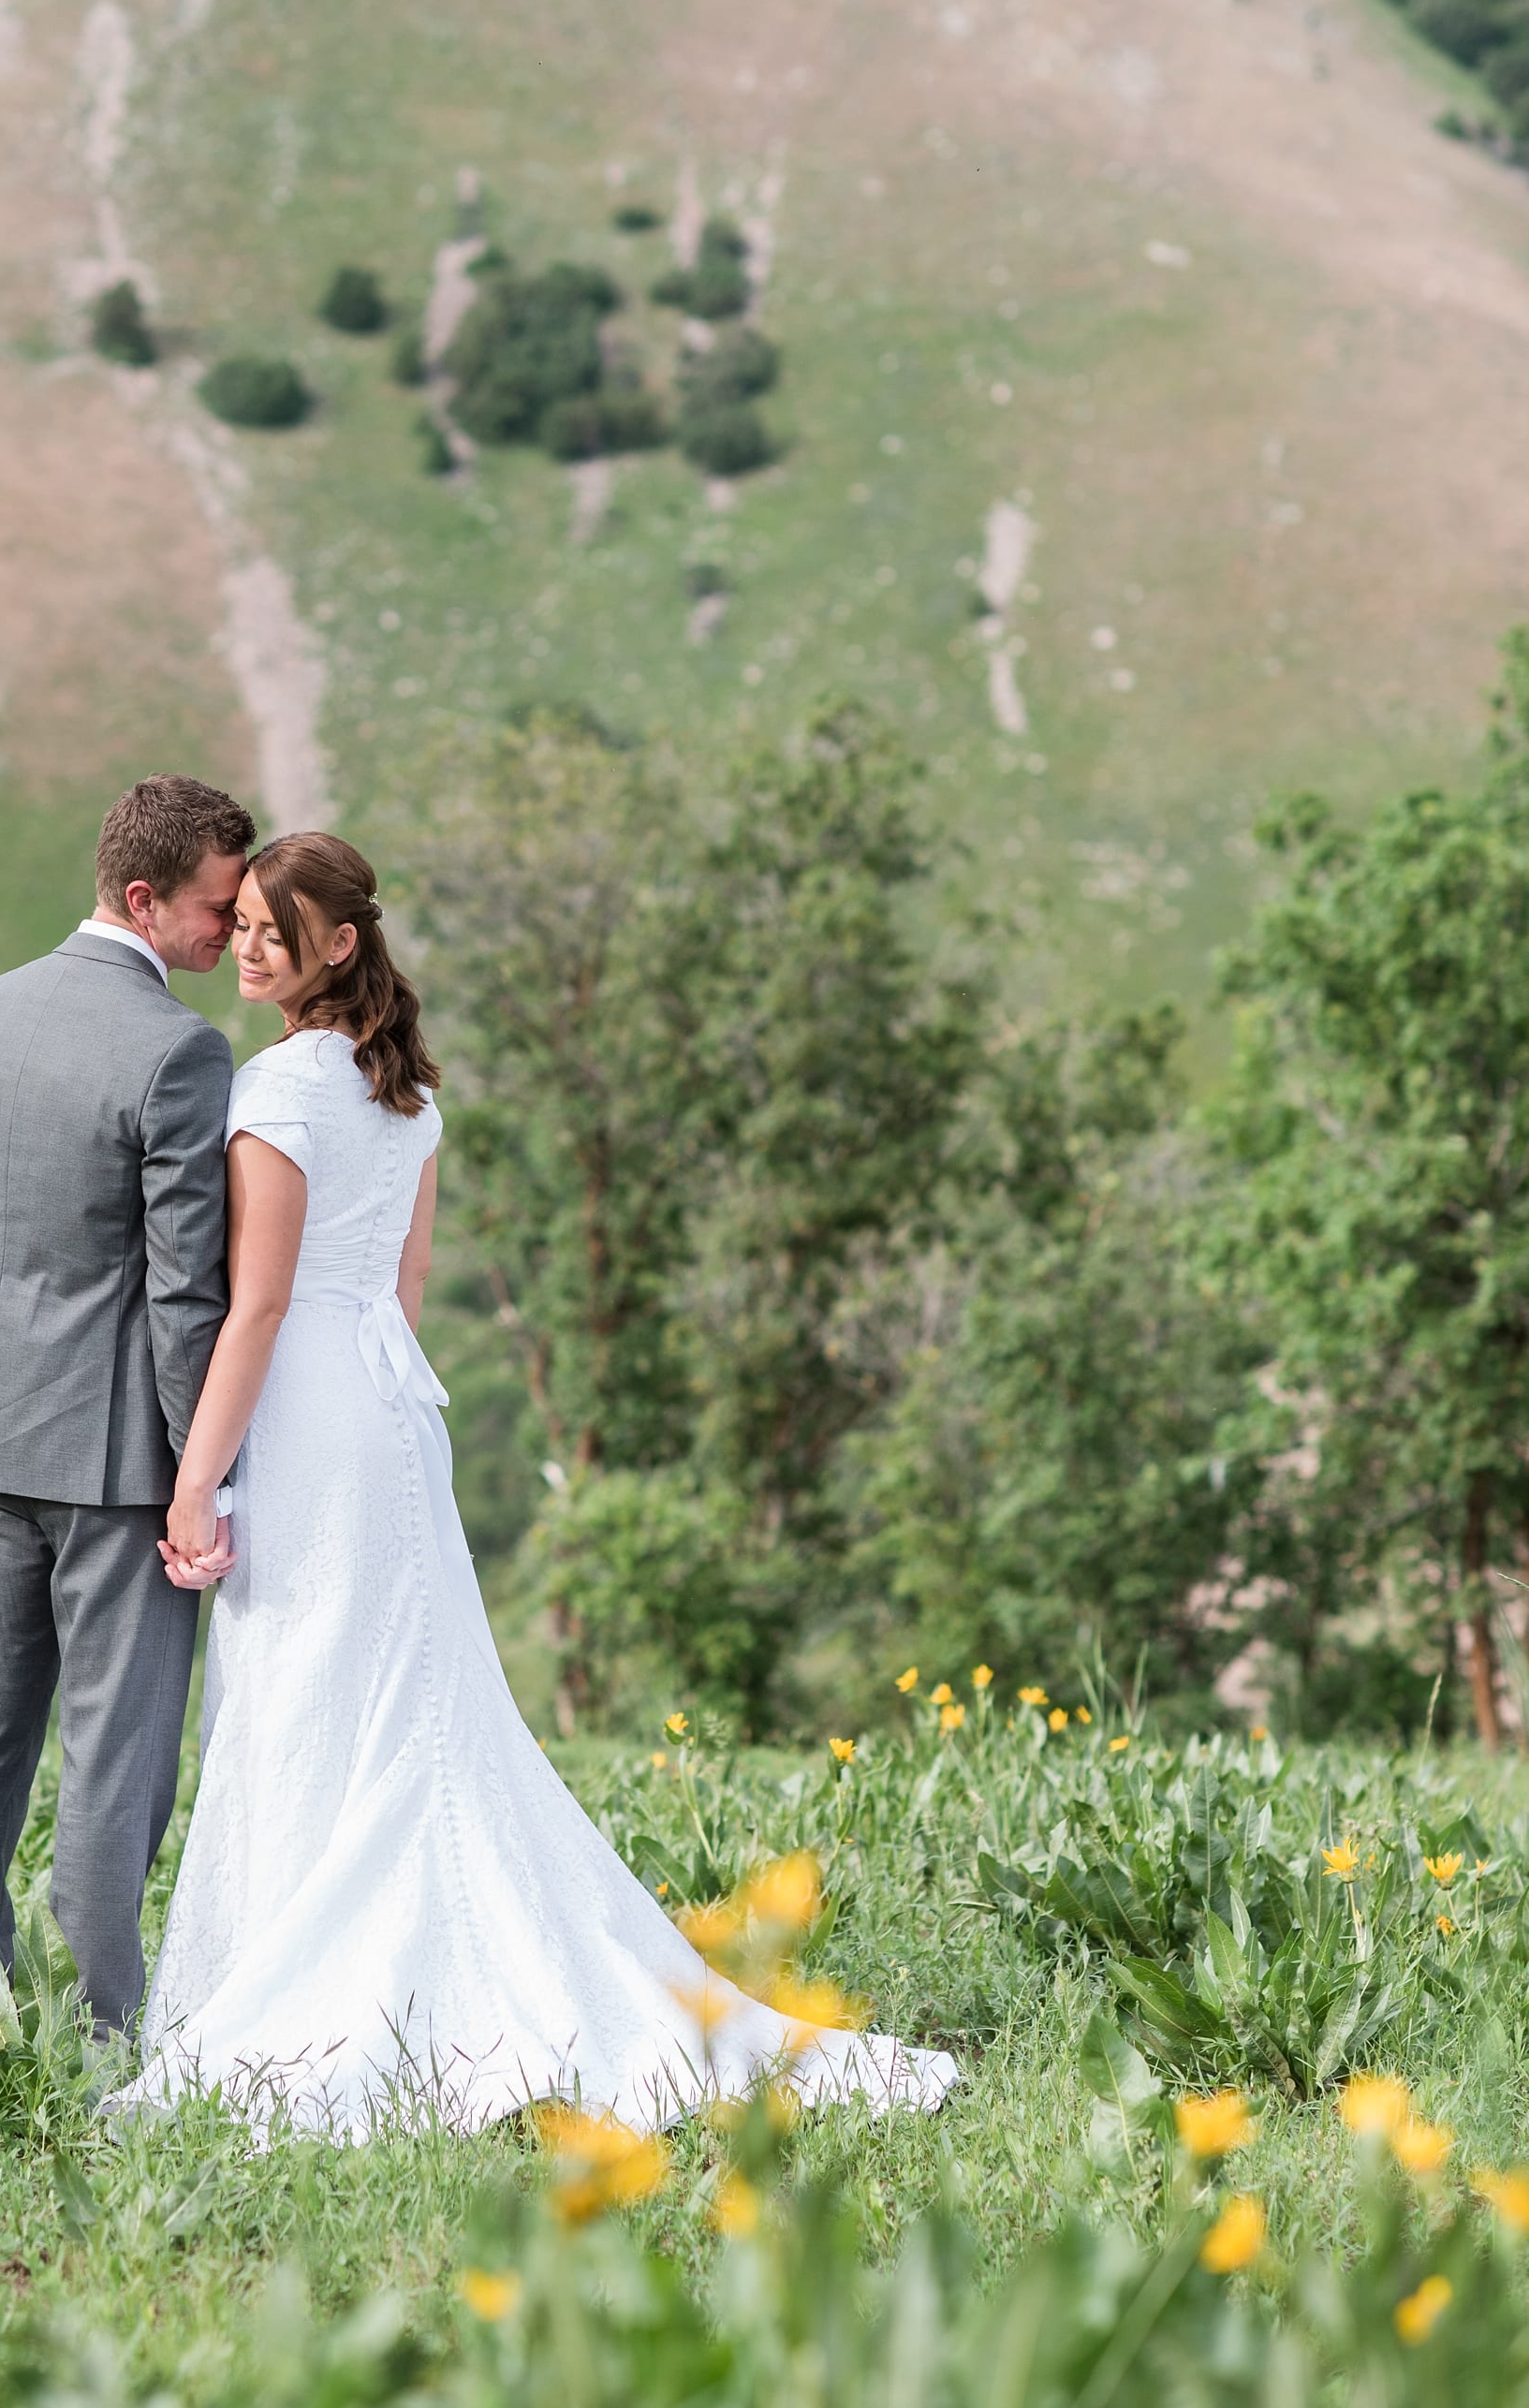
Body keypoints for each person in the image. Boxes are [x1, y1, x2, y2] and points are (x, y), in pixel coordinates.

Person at [125, 829, 956, 2136]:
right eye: (239, 929)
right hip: (392, 1405)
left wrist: (194, 1483)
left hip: (310, 1417)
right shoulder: (407, 1098)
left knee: (303, 1686)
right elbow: (402, 1291)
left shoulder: (277, 1092)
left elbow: (260, 1305)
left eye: (270, 932)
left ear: (337, 946)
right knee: (414, 1691)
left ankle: (306, 1980)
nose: (246, 946)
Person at [0, 772, 253, 2048]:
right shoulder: (178, 1052)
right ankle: (110, 2041)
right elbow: (185, 1297)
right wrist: (195, 1477)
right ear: (144, 895)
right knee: (117, 1760)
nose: (230, 935)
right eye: (218, 910)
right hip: (121, 1470)